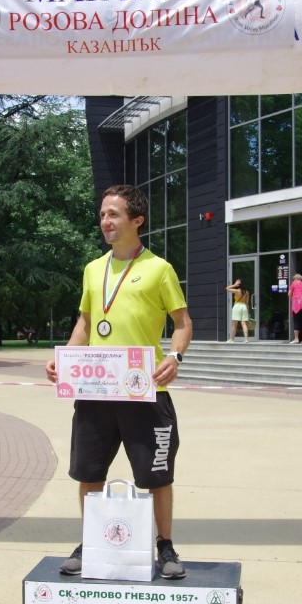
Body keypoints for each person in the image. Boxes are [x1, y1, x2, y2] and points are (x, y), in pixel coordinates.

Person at [45, 185, 193, 580]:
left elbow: (182, 323)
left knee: (156, 476)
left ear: (137, 220)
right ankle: (90, 541)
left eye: (113, 214)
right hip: (97, 391)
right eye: (102, 215)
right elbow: (87, 321)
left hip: (145, 389)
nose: (105, 221)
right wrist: (66, 359)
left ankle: (165, 545)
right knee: (89, 473)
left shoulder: (159, 269)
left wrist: (175, 357)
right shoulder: (93, 269)